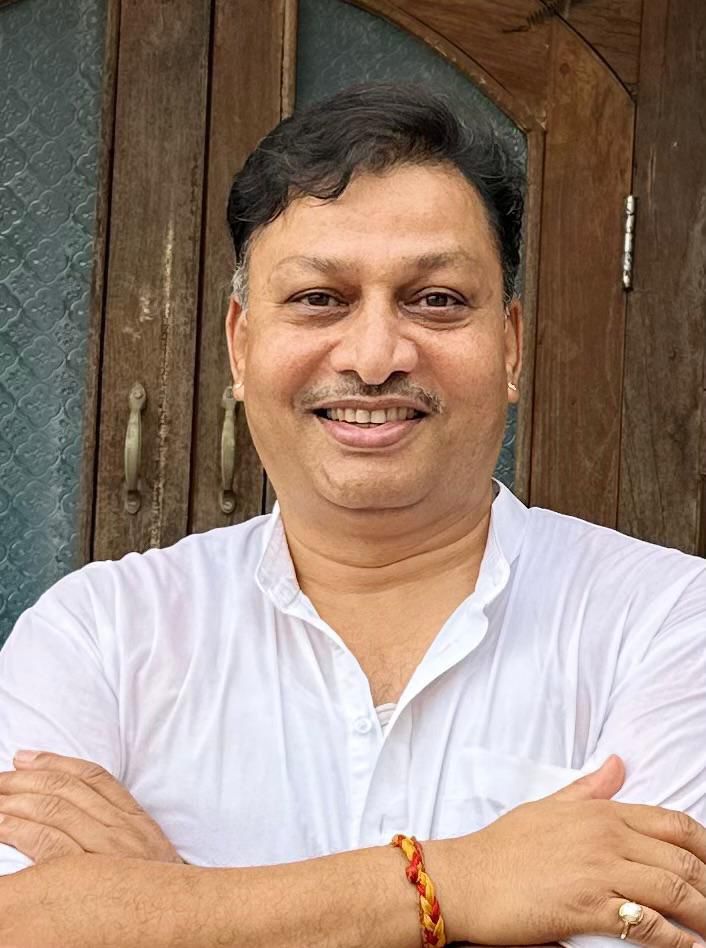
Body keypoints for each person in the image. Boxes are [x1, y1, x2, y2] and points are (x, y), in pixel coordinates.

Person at [0, 83, 704, 948]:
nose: (374, 357)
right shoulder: (101, 634)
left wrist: (162, 903)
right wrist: (459, 880)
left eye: (436, 299)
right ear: (241, 345)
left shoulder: (669, 625)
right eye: (319, 299)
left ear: (511, 346)